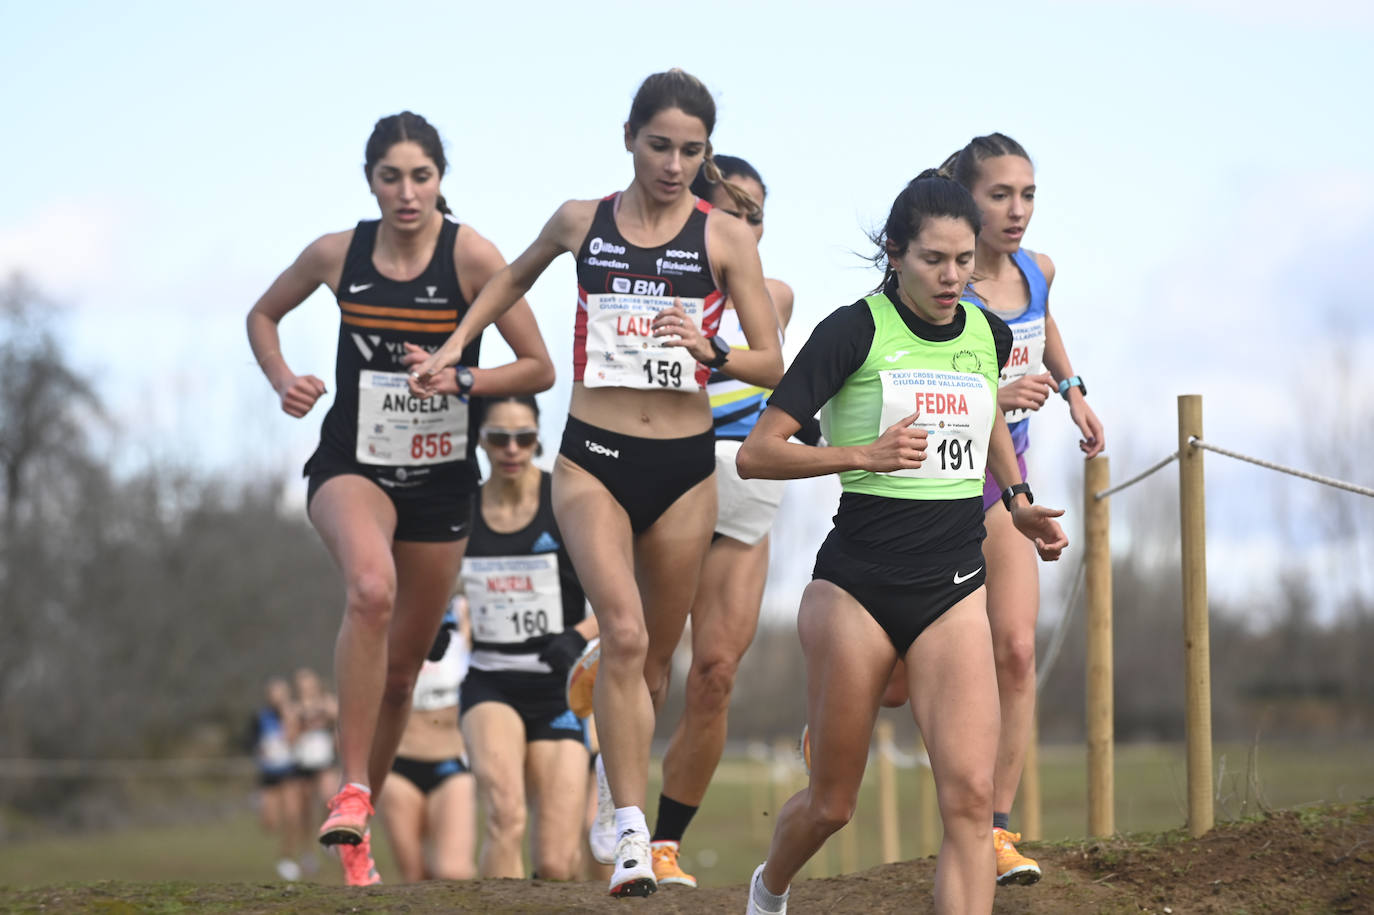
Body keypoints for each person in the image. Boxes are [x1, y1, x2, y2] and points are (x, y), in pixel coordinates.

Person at [410, 69, 784, 897]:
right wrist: (454, 350)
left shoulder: (725, 239)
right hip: (593, 461)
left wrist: (710, 346)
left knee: (653, 661)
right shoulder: (584, 221)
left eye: (692, 150)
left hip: (685, 470)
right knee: (620, 633)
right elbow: (508, 279)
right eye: (660, 145)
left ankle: (616, 796)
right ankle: (631, 838)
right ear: (629, 138)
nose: (674, 164)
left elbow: (772, 359)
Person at [735, 170, 1068, 915]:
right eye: (933, 261)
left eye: (961, 261)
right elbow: (760, 451)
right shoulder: (852, 330)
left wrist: (1015, 501)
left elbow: (984, 422)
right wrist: (861, 455)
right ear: (895, 253)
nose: (953, 277)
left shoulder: (984, 332)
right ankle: (768, 888)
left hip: (953, 585)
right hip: (858, 586)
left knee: (972, 802)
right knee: (831, 804)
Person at [246, 111, 555, 886]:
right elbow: (263, 314)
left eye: (422, 176)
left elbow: (538, 366)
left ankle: (358, 827)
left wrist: (459, 376)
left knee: (400, 674)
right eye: (392, 176)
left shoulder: (472, 255)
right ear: (371, 181)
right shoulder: (337, 253)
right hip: (354, 464)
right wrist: (285, 380)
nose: (408, 192)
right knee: (369, 589)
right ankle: (350, 786)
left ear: (440, 179)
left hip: (442, 482)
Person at [944, 132, 1105, 885]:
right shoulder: (940, 282)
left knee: (1014, 649)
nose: (1017, 211)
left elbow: (1045, 330)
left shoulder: (1038, 271)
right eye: (1000, 194)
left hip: (1011, 490)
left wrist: (1073, 392)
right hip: (939, 487)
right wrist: (991, 397)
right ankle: (844, 699)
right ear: (966, 197)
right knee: (896, 673)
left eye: (1029, 194)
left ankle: (997, 830)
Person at [648, 155, 795, 888]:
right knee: (647, 659)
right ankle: (621, 818)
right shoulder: (658, 286)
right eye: (728, 208)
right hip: (676, 471)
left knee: (715, 674)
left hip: (749, 484)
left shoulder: (775, 295)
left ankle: (666, 843)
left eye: (755, 213)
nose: (744, 223)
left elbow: (771, 361)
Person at [458, 394, 598, 880]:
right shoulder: (463, 509)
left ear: (539, 439)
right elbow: (428, 584)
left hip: (559, 687)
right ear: (480, 441)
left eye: (524, 438)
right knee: (506, 815)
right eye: (499, 438)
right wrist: (435, 626)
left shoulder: (567, 500)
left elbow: (622, 594)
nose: (511, 448)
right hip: (491, 683)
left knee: (556, 862)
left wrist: (579, 635)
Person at [378, 596, 476, 882]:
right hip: (399, 766)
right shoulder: (387, 624)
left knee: (453, 872)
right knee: (414, 877)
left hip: (451, 764)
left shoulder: (461, 619)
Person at [250, 676, 303, 882]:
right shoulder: (260, 717)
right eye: (274, 693)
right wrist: (259, 750)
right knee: (269, 823)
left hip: (290, 771)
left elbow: (295, 740)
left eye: (281, 693)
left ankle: (287, 858)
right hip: (268, 774)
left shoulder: (293, 715)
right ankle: (265, 810)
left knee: (292, 816)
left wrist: (289, 720)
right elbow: (251, 742)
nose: (277, 697)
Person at [290, 666, 338, 877]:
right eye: (301, 683)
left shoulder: (327, 702)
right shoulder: (294, 708)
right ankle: (307, 854)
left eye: (308, 682)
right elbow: (288, 736)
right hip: (303, 762)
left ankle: (326, 834)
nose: (306, 687)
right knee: (305, 811)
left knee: (330, 798)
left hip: (325, 759)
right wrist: (301, 724)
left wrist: (326, 715)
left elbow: (341, 720)